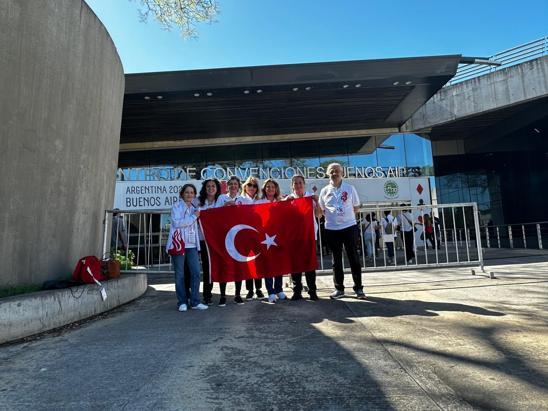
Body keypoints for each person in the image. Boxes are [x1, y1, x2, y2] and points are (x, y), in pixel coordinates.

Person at [318, 163, 365, 299]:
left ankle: (358, 288)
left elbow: (356, 207)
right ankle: (339, 289)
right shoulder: (324, 191)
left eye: (337, 171)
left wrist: (345, 218)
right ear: (328, 173)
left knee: (353, 257)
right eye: (332, 171)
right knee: (336, 260)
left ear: (342, 173)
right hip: (332, 229)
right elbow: (320, 211)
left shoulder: (350, 188)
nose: (335, 173)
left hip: (349, 227)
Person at [167, 184, 208, 312]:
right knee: (180, 274)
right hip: (179, 244)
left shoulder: (195, 208)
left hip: (192, 246)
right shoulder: (176, 207)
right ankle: (182, 302)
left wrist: (198, 247)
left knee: (195, 272)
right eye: (187, 192)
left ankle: (195, 301)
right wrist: (194, 216)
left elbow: (195, 228)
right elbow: (177, 223)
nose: (189, 195)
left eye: (192, 193)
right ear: (182, 194)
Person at [285, 175, 322, 301]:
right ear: (292, 186)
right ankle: (297, 291)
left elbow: (319, 215)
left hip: (309, 235)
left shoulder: (310, 198)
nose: (298, 185)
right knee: (295, 265)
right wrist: (285, 203)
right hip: (294, 237)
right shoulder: (289, 198)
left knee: (309, 264)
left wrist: (317, 202)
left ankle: (312, 291)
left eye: (300, 183)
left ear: (304, 184)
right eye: (295, 183)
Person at [255, 178, 287, 303]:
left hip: (278, 237)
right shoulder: (259, 202)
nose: (270, 189)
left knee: (278, 264)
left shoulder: (280, 202)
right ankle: (270, 291)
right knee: (268, 265)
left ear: (276, 189)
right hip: (264, 237)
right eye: (268, 187)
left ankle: (279, 289)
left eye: (272, 187)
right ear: (264, 189)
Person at [219, 176, 248, 304]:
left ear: (239, 186)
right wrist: (224, 206)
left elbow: (249, 215)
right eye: (230, 184)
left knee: (238, 266)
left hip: (238, 237)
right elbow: (214, 214)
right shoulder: (221, 198)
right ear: (227, 186)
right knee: (223, 266)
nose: (233, 186)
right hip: (224, 236)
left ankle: (237, 294)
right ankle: (223, 296)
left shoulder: (243, 199)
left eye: (235, 184)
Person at [197, 178, 224, 306]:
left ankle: (223, 294)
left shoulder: (222, 199)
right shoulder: (198, 201)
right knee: (207, 268)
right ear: (205, 188)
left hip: (219, 240)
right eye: (208, 186)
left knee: (221, 266)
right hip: (204, 240)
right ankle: (207, 295)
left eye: (213, 186)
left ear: (217, 188)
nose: (211, 188)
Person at [241, 176, 265, 300]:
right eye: (249, 185)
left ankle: (259, 289)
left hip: (258, 236)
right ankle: (249, 290)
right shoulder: (240, 200)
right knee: (247, 263)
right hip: (244, 236)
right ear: (245, 187)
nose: (252, 187)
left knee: (258, 263)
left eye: (254, 185)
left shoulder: (261, 201)